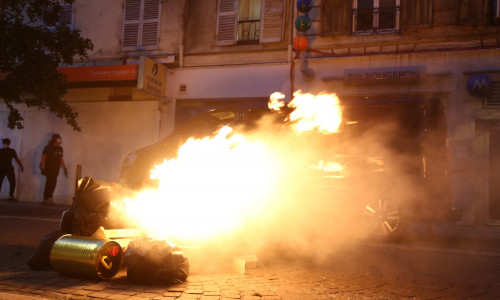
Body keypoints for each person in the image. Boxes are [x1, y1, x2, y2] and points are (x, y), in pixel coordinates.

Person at [40, 133, 67, 206]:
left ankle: (50, 197)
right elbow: (43, 158)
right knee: (49, 183)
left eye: (59, 138)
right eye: (58, 138)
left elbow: (61, 159)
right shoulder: (48, 147)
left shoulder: (60, 148)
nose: (59, 139)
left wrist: (64, 168)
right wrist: (43, 168)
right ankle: (45, 199)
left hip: (56, 169)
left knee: (53, 183)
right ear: (54, 139)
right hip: (49, 168)